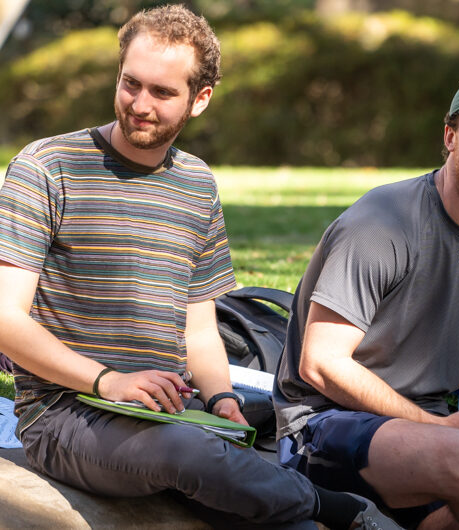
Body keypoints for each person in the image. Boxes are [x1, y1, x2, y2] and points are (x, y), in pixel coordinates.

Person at [0, 5, 400, 529]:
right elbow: (6, 319)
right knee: (192, 455)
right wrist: (107, 381)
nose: (140, 105)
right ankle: (345, 509)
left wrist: (221, 397)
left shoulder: (197, 183)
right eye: (130, 84)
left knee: (267, 502)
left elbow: (200, 327)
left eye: (162, 92)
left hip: (169, 411)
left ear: (200, 99)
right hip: (65, 413)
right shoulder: (46, 166)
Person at [273, 68, 459, 530]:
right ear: (450, 135)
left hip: (421, 438)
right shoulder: (384, 222)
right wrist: (436, 429)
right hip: (323, 425)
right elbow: (321, 363)